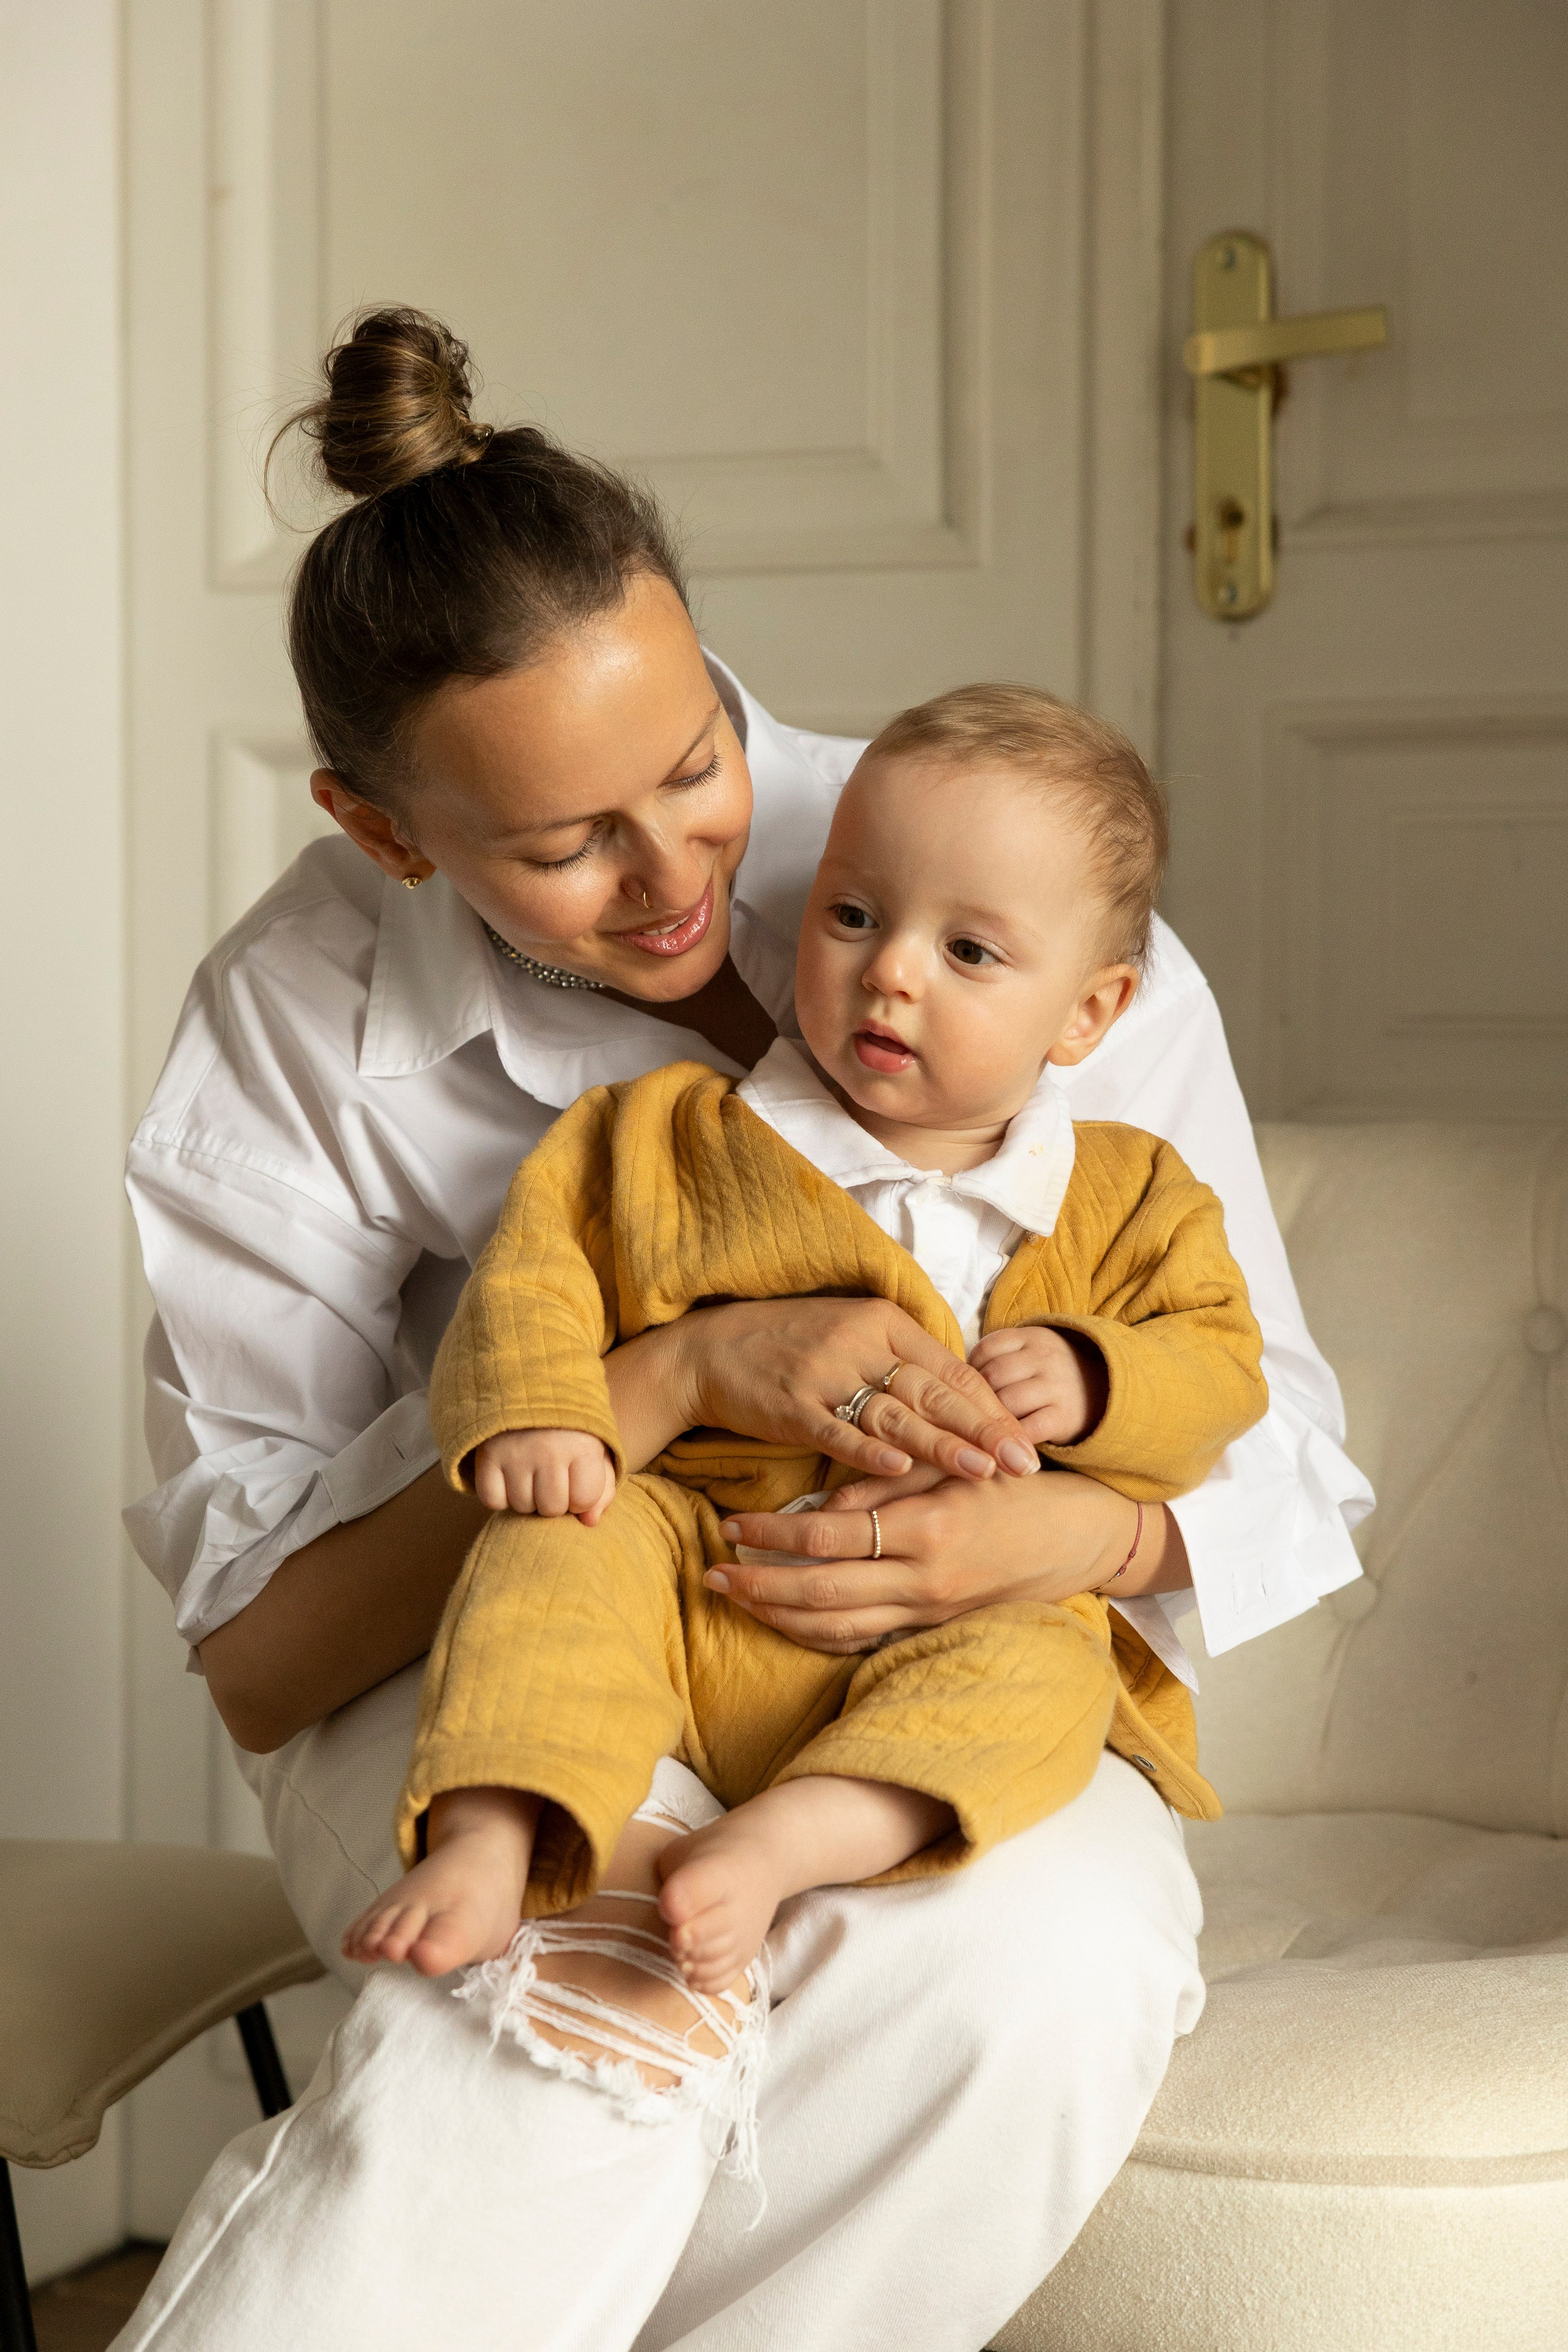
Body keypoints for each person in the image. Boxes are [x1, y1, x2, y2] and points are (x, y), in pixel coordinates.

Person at [115, 309, 1372, 2352]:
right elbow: (264, 1662)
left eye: (694, 761)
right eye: (561, 846)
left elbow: (1269, 1426)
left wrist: (1067, 1533)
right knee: (583, 1973)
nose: (678, 867)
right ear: (386, 832)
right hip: (529, 1633)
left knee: (1040, 1974)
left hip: (936, 1646)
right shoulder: (289, 1032)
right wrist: (650, 1390)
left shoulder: (1007, 882)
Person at [346, 684, 1267, 2060]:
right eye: (852, 916)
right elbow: (535, 1273)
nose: (889, 970)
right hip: (691, 1559)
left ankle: (794, 1840)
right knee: (548, 1553)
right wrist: (541, 1412)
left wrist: (1095, 1374)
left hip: (944, 1626)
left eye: (966, 950)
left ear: (1086, 1016)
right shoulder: (664, 1134)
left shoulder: (1133, 1197)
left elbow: (1221, 1370)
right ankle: (493, 1831)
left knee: (1051, 1673)